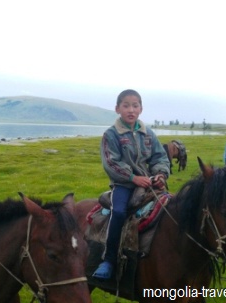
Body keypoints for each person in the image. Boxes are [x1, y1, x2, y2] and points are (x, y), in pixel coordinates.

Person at [92, 89, 170, 280]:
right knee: (118, 212)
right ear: (117, 108)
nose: (131, 109)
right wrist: (133, 178)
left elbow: (160, 157)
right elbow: (111, 162)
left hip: (149, 182)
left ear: (141, 109)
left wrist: (160, 174)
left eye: (135, 105)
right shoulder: (111, 135)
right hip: (124, 185)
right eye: (126, 105)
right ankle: (109, 260)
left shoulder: (148, 133)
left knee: (171, 207)